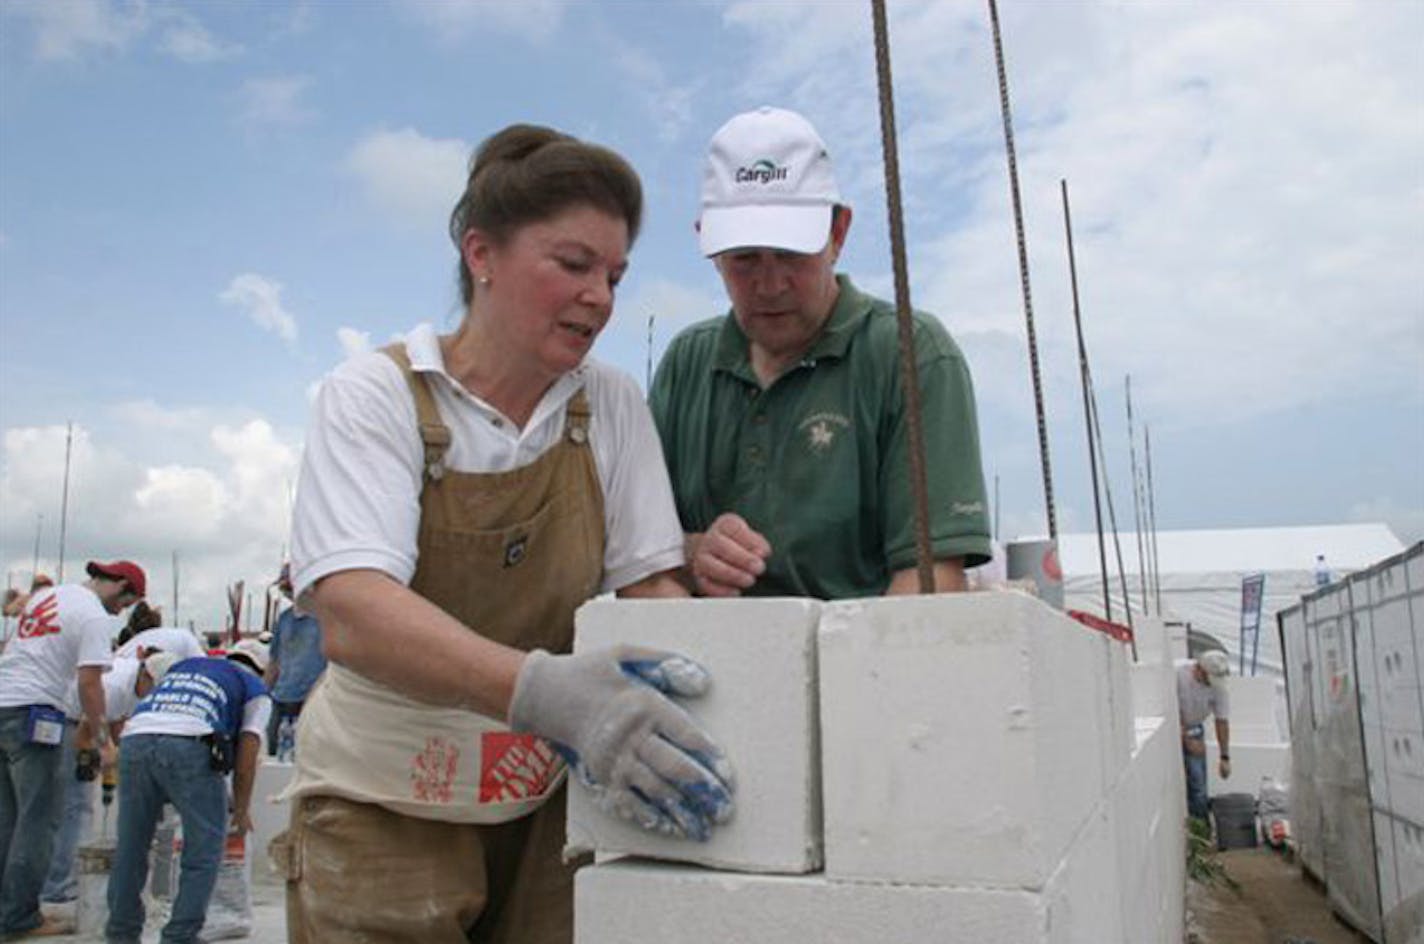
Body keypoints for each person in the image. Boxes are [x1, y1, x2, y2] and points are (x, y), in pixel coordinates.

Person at [279, 122, 735, 943]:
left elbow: (651, 587)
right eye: (572, 264)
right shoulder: (378, 396)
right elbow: (353, 610)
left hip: (541, 796)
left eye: (614, 274)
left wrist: (716, 695)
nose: (600, 295)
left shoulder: (611, 405)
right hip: (385, 797)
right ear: (481, 254)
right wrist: (544, 693)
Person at [649, 106, 992, 600]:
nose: (769, 285)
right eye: (744, 259)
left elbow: (931, 578)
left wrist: (851, 674)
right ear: (708, 243)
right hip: (709, 668)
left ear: (839, 233)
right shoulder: (684, 364)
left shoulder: (912, 356)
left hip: (864, 663)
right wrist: (691, 550)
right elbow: (632, 556)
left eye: (790, 254)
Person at [0, 559, 144, 939]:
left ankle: (6, 909)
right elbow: (90, 685)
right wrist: (103, 740)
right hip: (35, 714)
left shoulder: (48, 597)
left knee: (6, 817)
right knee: (38, 819)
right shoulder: (93, 616)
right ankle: (19, 918)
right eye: (126, 603)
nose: (122, 612)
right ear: (121, 587)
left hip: (3, 703)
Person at [105, 644, 270, 944]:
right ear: (262, 670)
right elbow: (247, 757)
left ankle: (120, 933)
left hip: (135, 738)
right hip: (190, 742)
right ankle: (180, 935)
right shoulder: (255, 689)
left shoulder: (185, 667)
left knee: (132, 845)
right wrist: (241, 811)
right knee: (204, 848)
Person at [41, 652, 171, 905]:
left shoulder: (136, 684)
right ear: (148, 675)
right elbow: (83, 736)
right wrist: (102, 754)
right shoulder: (114, 684)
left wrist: (115, 754)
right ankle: (59, 885)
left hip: (76, 718)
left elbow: (116, 724)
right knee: (75, 806)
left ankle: (57, 880)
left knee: (71, 805)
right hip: (64, 719)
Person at [262, 564, 326, 758]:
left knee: (307, 755)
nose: (286, 592)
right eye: (284, 589)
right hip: (280, 699)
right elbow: (274, 663)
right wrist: (262, 694)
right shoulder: (283, 619)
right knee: (272, 751)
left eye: (289, 587)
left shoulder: (325, 618)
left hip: (312, 701)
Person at [1178, 649, 1232, 821]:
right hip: (1178, 727)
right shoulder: (1178, 673)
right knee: (1188, 782)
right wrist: (1185, 739)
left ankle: (1201, 829)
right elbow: (1168, 708)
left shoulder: (1218, 688)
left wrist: (1225, 757)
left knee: (1198, 785)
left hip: (1194, 728)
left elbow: (1221, 721)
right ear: (1200, 670)